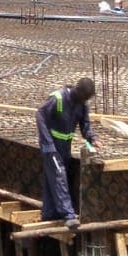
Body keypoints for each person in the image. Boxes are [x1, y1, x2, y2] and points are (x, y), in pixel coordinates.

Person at [37, 78, 100, 230]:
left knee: (52, 179)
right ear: (78, 91)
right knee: (59, 175)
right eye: (84, 97)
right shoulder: (58, 98)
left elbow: (85, 125)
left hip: (65, 147)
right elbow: (40, 115)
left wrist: (92, 138)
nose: (85, 101)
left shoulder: (82, 105)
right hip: (52, 146)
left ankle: (49, 213)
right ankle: (68, 215)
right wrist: (48, 143)